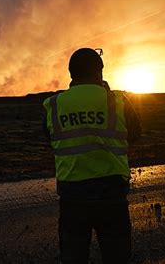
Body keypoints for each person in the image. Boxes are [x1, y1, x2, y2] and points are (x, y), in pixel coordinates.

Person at [42, 48, 141, 264]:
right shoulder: (118, 101)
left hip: (72, 196)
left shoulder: (55, 104)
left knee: (73, 257)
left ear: (71, 74)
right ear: (100, 72)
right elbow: (134, 134)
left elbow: (51, 138)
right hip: (112, 193)